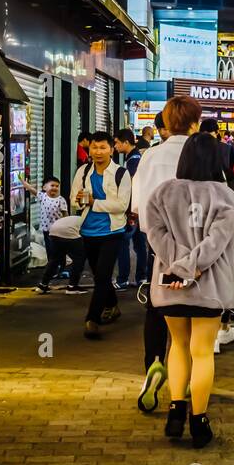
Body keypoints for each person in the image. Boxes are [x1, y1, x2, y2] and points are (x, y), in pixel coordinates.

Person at [145, 133, 234, 449]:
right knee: (202, 352)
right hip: (209, 288)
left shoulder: (162, 193)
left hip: (170, 285)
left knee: (177, 346)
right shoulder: (225, 195)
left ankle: (176, 409)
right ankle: (199, 421)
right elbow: (217, 241)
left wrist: (178, 265)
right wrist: (193, 266)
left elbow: (155, 234)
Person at [133, 98, 203, 411]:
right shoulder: (203, 153)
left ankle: (155, 362)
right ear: (195, 123)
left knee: (157, 306)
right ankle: (185, 378)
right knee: (192, 310)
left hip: (159, 244)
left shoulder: (151, 156)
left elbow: (137, 205)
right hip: (196, 246)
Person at [71, 132, 131, 339]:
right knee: (99, 275)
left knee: (103, 276)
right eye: (94, 148)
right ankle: (112, 305)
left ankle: (92, 319)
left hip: (112, 231)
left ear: (111, 150)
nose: (98, 152)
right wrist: (79, 200)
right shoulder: (83, 171)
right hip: (88, 231)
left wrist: (94, 202)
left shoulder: (121, 173)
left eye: (103, 147)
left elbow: (121, 205)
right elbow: (73, 199)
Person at [23, 175, 69, 292]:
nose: (55, 188)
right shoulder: (43, 196)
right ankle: (52, 270)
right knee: (50, 251)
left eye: (57, 186)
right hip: (47, 230)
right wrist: (24, 184)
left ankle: (61, 270)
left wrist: (67, 226)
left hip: (58, 231)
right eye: (52, 185)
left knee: (60, 251)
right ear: (44, 187)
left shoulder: (61, 200)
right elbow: (33, 190)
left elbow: (65, 215)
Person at [114, 128, 147, 289]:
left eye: (117, 143)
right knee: (140, 244)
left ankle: (122, 279)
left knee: (123, 242)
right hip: (140, 206)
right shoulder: (136, 157)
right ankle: (142, 277)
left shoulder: (133, 160)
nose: (115, 146)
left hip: (132, 208)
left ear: (126, 142)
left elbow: (131, 183)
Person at [36, 211, 87, 293]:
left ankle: (42, 285)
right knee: (79, 259)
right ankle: (72, 287)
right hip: (68, 232)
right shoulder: (88, 221)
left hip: (53, 231)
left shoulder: (74, 218)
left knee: (54, 259)